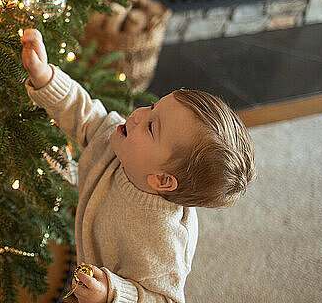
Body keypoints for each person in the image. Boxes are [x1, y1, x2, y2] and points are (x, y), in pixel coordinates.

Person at [20, 28, 256, 303]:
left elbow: (164, 299)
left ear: (162, 180)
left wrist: (112, 292)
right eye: (153, 107)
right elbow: (84, 114)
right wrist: (45, 76)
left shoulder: (162, 238)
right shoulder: (120, 141)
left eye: (152, 126)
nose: (138, 113)